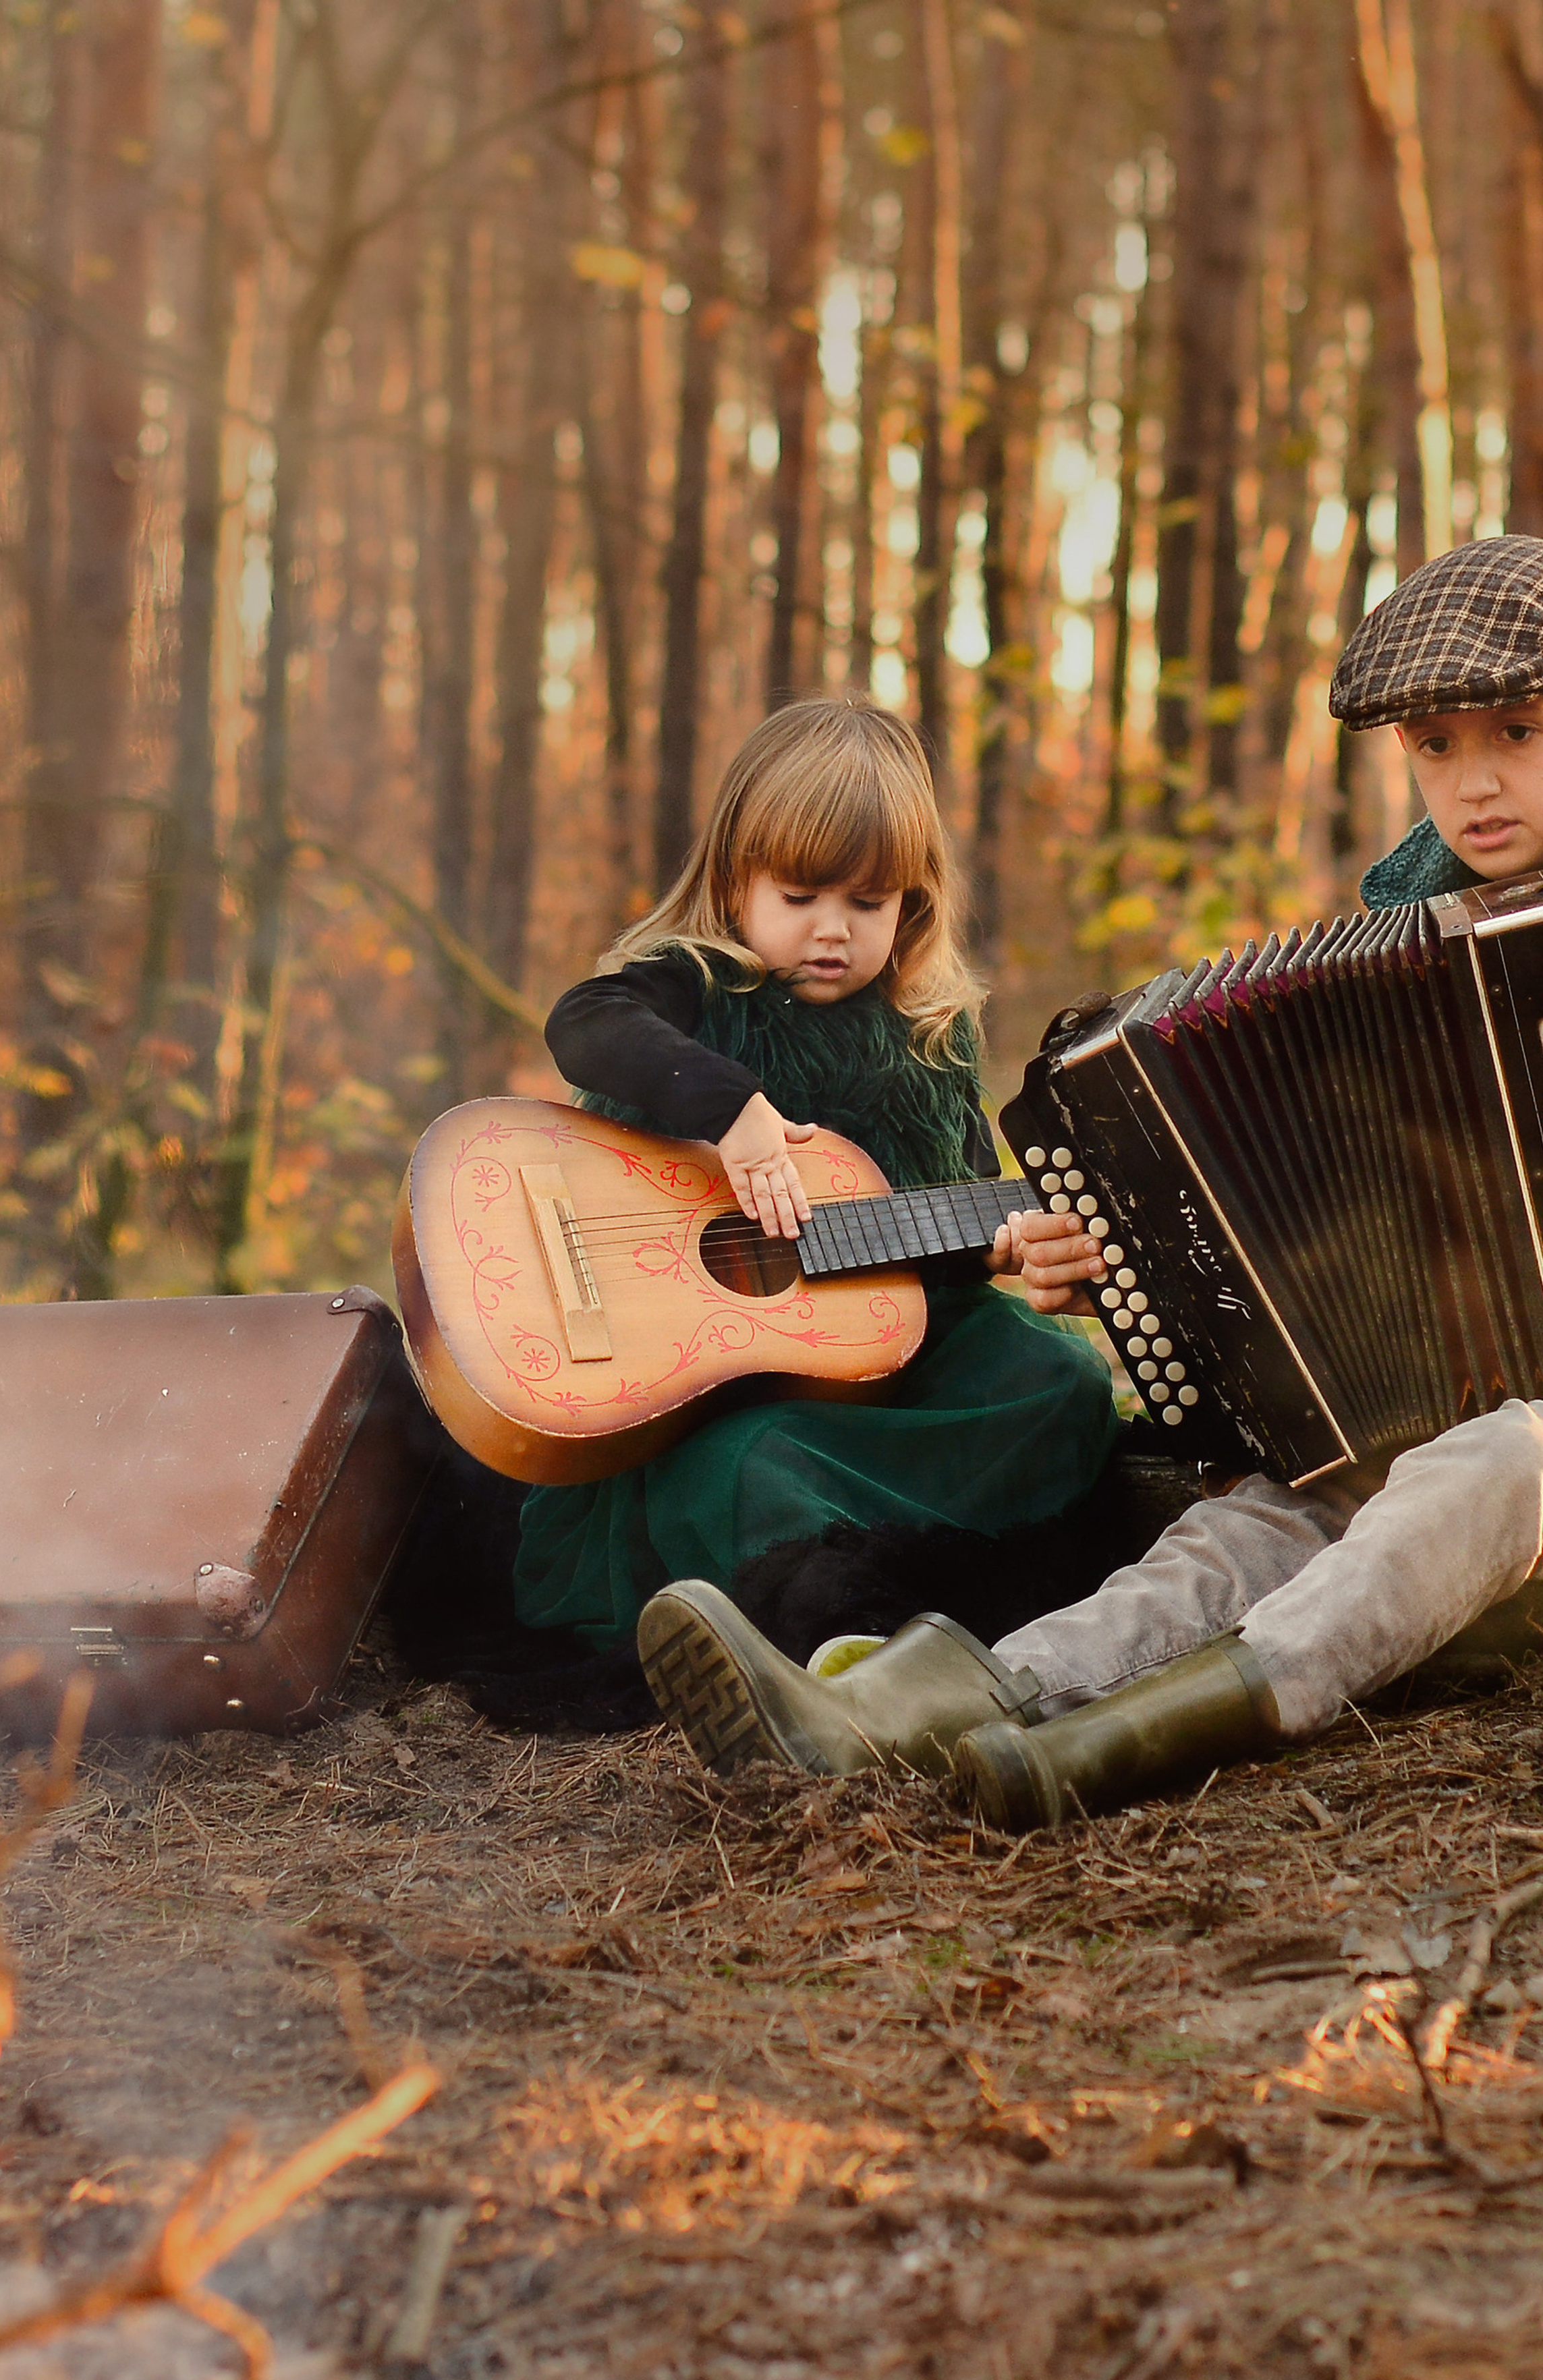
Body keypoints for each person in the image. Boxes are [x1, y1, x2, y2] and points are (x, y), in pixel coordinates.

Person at [635, 535, 1543, 1825]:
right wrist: (1180, 1309)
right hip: (1430, 1430)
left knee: (1505, 1459)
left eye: (1516, 730)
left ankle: (1114, 1747)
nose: (1474, 782)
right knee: (1253, 1523)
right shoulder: (1407, 950)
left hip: (1523, 1469)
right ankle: (908, 1712)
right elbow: (1333, 1248)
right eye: (1436, 746)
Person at [513, 699, 1121, 1647]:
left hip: (882, 1365)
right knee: (748, 1464)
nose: (830, 931)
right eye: (799, 899)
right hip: (722, 1386)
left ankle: (887, 1577)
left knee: (1061, 1384)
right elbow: (583, 1024)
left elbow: (942, 1230)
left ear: (912, 904)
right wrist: (733, 1111)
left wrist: (1008, 1248)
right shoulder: (701, 985)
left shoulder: (929, 1031)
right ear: (736, 883)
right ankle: (824, 1604)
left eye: (866, 903)